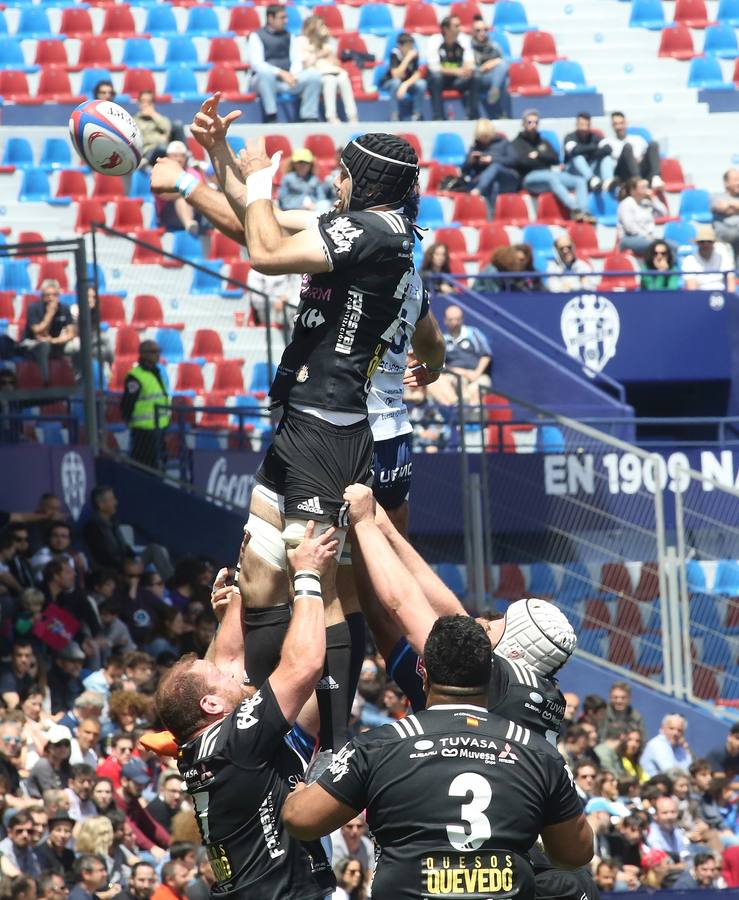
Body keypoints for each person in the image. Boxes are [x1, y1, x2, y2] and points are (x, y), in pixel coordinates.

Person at [283, 615, 593, 898]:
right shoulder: (537, 752)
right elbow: (575, 854)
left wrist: (300, 795)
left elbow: (301, 821)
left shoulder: (379, 745)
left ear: (425, 675)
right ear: (491, 678)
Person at [154, 524, 338, 897]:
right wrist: (306, 574)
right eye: (217, 678)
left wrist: (243, 580)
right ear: (211, 705)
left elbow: (229, 656)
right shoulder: (234, 741)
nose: (230, 677)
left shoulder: (204, 746)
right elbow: (304, 666)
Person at [247, 5, 323, 123]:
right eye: (282, 18)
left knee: (314, 75)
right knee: (264, 74)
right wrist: (280, 73)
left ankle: (309, 116)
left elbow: (296, 60)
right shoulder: (256, 36)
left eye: (286, 17)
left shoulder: (289, 36)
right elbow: (257, 64)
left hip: (288, 80)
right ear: (270, 18)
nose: (286, 21)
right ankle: (271, 115)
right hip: (265, 81)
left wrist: (292, 75)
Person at [511, 110, 590, 222]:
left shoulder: (543, 141)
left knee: (579, 181)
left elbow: (555, 159)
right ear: (523, 124)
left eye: (536, 122)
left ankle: (585, 212)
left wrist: (538, 155)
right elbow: (522, 162)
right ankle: (575, 209)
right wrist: (543, 159)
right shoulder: (516, 143)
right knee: (552, 178)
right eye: (529, 122)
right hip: (529, 178)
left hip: (549, 174)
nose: (533, 125)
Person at [296, 16, 358, 124]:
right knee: (330, 80)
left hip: (330, 71)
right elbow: (306, 64)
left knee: (343, 77)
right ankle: (331, 117)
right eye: (321, 26)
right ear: (313, 28)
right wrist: (320, 53)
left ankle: (352, 116)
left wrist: (328, 50)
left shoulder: (326, 43)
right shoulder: (301, 41)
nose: (324, 28)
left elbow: (337, 64)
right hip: (314, 75)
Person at [427, 305, 492, 406]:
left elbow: (486, 355)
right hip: (454, 376)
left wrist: (476, 374)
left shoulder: (473, 333)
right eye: (451, 320)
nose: (455, 322)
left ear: (462, 319)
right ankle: (455, 406)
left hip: (477, 375)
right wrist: (460, 372)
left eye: (458, 319)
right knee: (436, 382)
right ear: (445, 321)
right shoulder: (443, 340)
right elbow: (440, 363)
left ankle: (469, 416)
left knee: (475, 393)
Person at [120, 340, 169, 471]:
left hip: (159, 428)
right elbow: (128, 403)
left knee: (160, 467)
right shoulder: (136, 376)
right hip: (143, 432)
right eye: (153, 352)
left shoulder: (156, 373)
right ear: (143, 354)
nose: (157, 355)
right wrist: (130, 421)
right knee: (144, 468)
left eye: (158, 351)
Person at [426, 15, 480, 121]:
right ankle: (438, 117)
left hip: (457, 80)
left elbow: (470, 62)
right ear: (446, 29)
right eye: (456, 26)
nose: (460, 28)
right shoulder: (434, 41)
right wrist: (456, 71)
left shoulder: (464, 39)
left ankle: (472, 116)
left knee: (476, 75)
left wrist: (467, 70)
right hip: (440, 80)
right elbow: (434, 67)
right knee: (436, 77)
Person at [20, 280, 75, 383]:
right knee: (44, 346)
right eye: (47, 295)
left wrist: (54, 340)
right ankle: (45, 381)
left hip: (55, 343)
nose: (51, 298)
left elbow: (71, 333)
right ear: (42, 295)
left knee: (77, 345)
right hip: (32, 344)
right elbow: (38, 331)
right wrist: (49, 314)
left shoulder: (64, 308)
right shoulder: (34, 308)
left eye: (54, 295)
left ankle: (78, 381)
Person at [598, 111, 664, 189]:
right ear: (612, 125)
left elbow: (647, 156)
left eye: (621, 123)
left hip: (639, 168)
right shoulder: (606, 142)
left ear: (626, 123)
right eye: (616, 124)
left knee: (653, 144)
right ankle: (638, 182)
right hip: (622, 173)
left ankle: (655, 177)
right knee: (627, 147)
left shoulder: (638, 139)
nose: (619, 127)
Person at [465, 118, 519, 210]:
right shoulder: (475, 148)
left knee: (495, 166)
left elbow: (514, 160)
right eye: (481, 136)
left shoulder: (503, 142)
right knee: (494, 185)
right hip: (487, 181)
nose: (484, 139)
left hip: (508, 179)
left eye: (486, 136)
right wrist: (470, 161)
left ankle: (478, 190)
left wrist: (492, 159)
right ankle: (492, 219)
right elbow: (465, 171)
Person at [153, 142, 207, 235]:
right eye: (175, 155)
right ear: (168, 157)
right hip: (168, 213)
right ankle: (189, 224)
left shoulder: (193, 172)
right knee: (181, 199)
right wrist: (187, 191)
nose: (179, 159)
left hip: (194, 208)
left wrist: (188, 191)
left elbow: (201, 190)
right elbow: (164, 194)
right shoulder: (160, 172)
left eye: (182, 156)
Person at [83, 488, 131, 573]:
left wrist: (134, 560)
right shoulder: (94, 526)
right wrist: (126, 565)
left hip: (125, 565)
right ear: (100, 504)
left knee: (154, 549)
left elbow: (124, 548)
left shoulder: (113, 522)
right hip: (112, 571)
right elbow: (106, 556)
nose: (116, 503)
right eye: (112, 500)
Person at [617, 177, 668, 256]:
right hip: (629, 238)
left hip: (649, 237)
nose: (646, 190)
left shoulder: (646, 203)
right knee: (656, 246)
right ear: (633, 190)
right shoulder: (626, 204)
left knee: (672, 246)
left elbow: (664, 213)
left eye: (646, 187)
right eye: (642, 187)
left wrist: (653, 198)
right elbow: (630, 227)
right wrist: (645, 236)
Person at [383, 33, 426, 122]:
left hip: (405, 83)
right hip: (390, 82)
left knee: (422, 84)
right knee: (396, 82)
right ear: (400, 46)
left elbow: (417, 74)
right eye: (408, 46)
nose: (410, 49)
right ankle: (394, 115)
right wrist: (407, 59)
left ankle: (417, 115)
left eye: (411, 46)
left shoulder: (414, 55)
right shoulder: (395, 53)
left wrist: (405, 85)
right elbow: (396, 75)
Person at [563, 112, 612, 191]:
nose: (584, 128)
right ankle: (591, 179)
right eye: (581, 124)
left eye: (586, 124)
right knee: (578, 157)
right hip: (573, 172)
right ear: (577, 124)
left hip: (591, 167)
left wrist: (588, 152)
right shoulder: (569, 137)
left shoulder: (595, 137)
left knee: (606, 157)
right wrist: (594, 148)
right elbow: (575, 151)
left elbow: (608, 149)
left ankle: (608, 182)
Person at [470, 17, 508, 115]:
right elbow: (470, 70)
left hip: (493, 77)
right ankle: (501, 112)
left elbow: (503, 63)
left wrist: (493, 63)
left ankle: (494, 91)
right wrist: (485, 67)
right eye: (478, 30)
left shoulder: (494, 46)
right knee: (503, 79)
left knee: (505, 77)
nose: (482, 33)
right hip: (477, 78)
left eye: (485, 30)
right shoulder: (468, 47)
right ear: (473, 32)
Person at [682, 223, 737, 291]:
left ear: (713, 243)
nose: (706, 244)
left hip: (723, 296)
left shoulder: (723, 258)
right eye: (702, 241)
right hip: (700, 297)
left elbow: (731, 282)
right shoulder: (689, 261)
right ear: (697, 243)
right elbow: (692, 288)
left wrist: (729, 299)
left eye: (709, 241)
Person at [25, 724, 73, 798]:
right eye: (58, 744)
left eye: (66, 744)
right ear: (49, 747)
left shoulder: (67, 767)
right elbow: (52, 794)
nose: (63, 748)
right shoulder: (43, 765)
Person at [646, 795, 691, 862]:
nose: (670, 816)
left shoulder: (676, 830)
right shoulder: (652, 836)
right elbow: (663, 862)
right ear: (655, 816)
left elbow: (684, 852)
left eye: (673, 812)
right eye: (665, 813)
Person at [134, 91, 174, 164]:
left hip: (161, 151)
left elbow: (168, 129)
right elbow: (139, 140)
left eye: (149, 102)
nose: (146, 104)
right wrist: (160, 138)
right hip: (146, 152)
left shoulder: (159, 118)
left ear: (153, 104)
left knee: (178, 126)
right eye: (143, 101)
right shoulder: (135, 121)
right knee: (162, 147)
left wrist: (153, 115)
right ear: (139, 103)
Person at [0, 812, 42, 879]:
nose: (25, 835)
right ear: (9, 832)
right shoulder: (3, 851)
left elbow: (36, 877)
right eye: (19, 831)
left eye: (29, 831)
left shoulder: (30, 851)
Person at [34, 812, 76, 879]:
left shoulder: (69, 855)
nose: (63, 835)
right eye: (58, 830)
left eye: (67, 831)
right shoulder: (40, 853)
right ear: (50, 831)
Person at [712, 167, 739, 263]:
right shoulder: (716, 196)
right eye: (736, 180)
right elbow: (721, 207)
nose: (738, 183)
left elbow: (726, 207)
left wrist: (729, 204)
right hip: (724, 232)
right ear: (726, 183)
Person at [0, 640, 36, 709]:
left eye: (27, 656)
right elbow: (14, 704)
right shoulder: (5, 675)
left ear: (31, 658)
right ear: (12, 657)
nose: (23, 660)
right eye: (19, 655)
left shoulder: (28, 679)